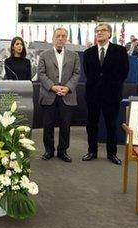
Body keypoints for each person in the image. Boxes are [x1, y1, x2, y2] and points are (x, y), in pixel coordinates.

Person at [82, 23, 129, 165]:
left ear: (109, 34)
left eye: (103, 30)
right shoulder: (88, 53)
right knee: (91, 124)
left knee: (111, 125)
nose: (99, 33)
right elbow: (88, 73)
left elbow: (124, 72)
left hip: (111, 95)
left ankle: (112, 153)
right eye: (97, 31)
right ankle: (92, 151)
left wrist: (112, 85)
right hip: (93, 95)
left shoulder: (120, 50)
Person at [38, 27, 80, 162]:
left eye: (63, 36)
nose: (60, 38)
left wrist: (67, 88)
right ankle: (48, 150)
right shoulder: (44, 55)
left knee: (65, 125)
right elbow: (41, 73)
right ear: (53, 38)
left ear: (66, 38)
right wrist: (53, 87)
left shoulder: (74, 56)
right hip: (49, 94)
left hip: (67, 95)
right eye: (58, 36)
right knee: (48, 125)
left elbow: (76, 73)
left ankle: (63, 151)